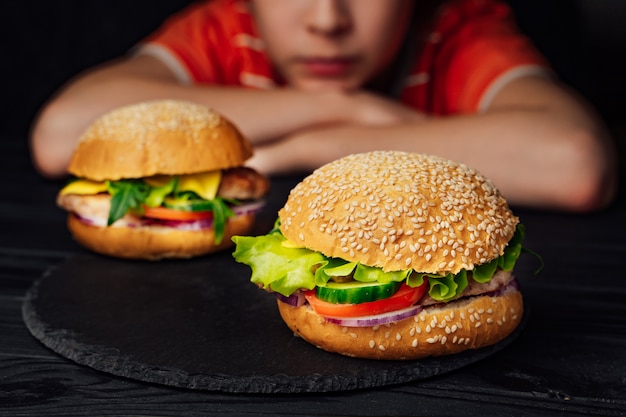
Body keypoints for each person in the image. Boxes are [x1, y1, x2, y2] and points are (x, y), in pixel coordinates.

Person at [30, 0, 617, 212]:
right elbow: (61, 134)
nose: (327, 21)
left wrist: (317, 142)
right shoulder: (224, 25)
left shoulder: (458, 32)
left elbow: (574, 163)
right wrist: (343, 103)